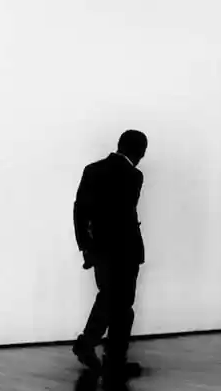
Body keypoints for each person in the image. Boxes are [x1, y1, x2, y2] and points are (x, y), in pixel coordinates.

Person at [71, 130, 148, 380]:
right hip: (125, 250)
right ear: (140, 152)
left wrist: (86, 246)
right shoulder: (134, 176)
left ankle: (103, 353)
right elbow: (124, 214)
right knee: (122, 305)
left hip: (100, 249)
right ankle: (109, 356)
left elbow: (80, 211)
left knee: (109, 298)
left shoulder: (92, 170)